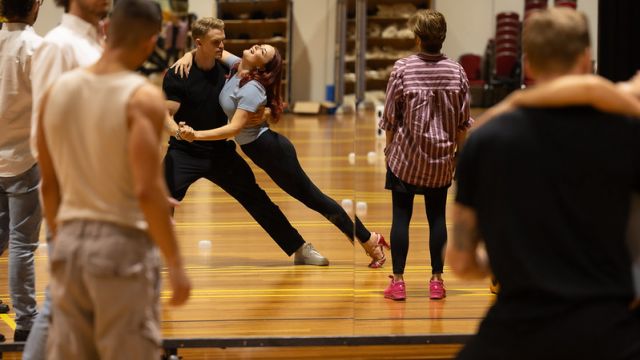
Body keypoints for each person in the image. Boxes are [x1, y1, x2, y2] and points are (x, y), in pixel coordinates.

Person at [449, 8, 640, 359]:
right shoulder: (628, 131)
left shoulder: (487, 140)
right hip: (609, 335)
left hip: (513, 334)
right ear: (586, 60)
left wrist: (513, 258)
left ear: (528, 65)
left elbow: (461, 262)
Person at [36, 0, 191, 358]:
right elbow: (147, 189)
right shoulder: (142, 98)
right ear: (152, 42)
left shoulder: (54, 93)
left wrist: (64, 242)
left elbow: (50, 182)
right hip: (121, 246)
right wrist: (176, 264)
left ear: (108, 30)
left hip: (69, 241)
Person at [174, 43, 389, 269]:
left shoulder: (252, 88)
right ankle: (369, 239)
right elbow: (213, 49)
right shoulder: (238, 65)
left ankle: (369, 240)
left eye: (262, 52)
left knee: (314, 198)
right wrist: (187, 56)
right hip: (261, 149)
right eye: (259, 46)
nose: (256, 47)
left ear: (262, 67)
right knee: (313, 198)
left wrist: (195, 135)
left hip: (272, 151)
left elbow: (233, 130)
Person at [163, 17, 328, 265]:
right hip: (184, 151)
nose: (222, 47)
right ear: (199, 43)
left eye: (223, 41)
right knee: (162, 197)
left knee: (256, 197)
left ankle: (299, 248)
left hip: (220, 151)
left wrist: (265, 112)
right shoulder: (179, 74)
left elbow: (259, 96)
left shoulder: (230, 70)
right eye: (216, 42)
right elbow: (165, 115)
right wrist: (178, 132)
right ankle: (155, 252)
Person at [25, 0, 108, 357]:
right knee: (59, 301)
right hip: (76, 200)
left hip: (102, 198)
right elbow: (42, 134)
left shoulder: (95, 43)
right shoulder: (58, 45)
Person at [378, 9, 472, 301]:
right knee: (437, 218)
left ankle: (398, 282)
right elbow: (463, 122)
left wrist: (388, 149)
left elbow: (391, 117)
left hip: (405, 158)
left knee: (401, 217)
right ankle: (436, 280)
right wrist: (457, 156)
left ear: (417, 38)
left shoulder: (402, 68)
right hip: (440, 160)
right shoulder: (457, 71)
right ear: (442, 38)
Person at [0, 0, 44, 342]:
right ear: (35, 6)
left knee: (3, 235)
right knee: (21, 244)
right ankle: (27, 319)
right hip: (23, 160)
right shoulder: (36, 46)